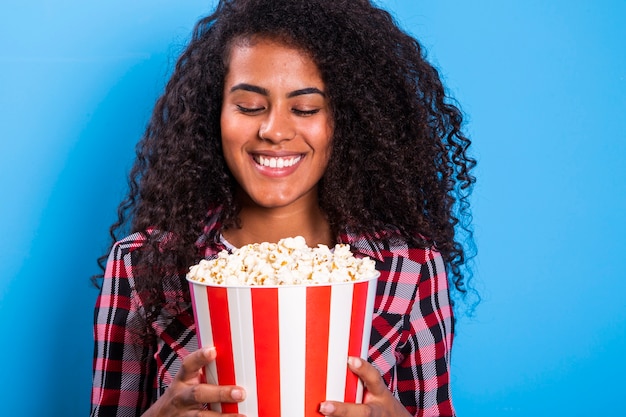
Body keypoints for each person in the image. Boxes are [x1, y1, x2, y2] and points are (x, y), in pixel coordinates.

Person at [90, 0, 476, 416]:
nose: (274, 130)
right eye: (250, 106)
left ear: (347, 121)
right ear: (212, 114)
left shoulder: (410, 266)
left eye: (305, 109)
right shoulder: (141, 263)